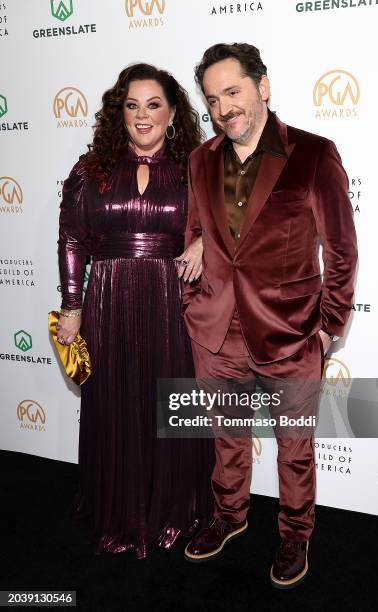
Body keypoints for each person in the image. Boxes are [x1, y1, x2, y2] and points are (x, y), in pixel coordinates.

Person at [182, 44, 358, 588]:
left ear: (263, 86)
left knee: (295, 449)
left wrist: (328, 328)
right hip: (216, 329)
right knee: (226, 437)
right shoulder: (200, 158)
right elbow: (196, 229)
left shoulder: (313, 154)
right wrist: (194, 247)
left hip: (289, 331)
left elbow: (342, 250)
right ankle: (231, 516)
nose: (223, 108)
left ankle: (294, 534)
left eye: (233, 92)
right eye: (212, 99)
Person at [57, 63, 214, 559]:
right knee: (115, 400)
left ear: (172, 113)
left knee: (169, 401)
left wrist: (205, 242)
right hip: (107, 297)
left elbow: (233, 224)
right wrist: (72, 305)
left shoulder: (197, 168)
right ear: (118, 112)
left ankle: (175, 509)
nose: (142, 116)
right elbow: (72, 239)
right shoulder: (92, 169)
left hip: (173, 300)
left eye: (153, 105)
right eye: (131, 105)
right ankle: (118, 509)